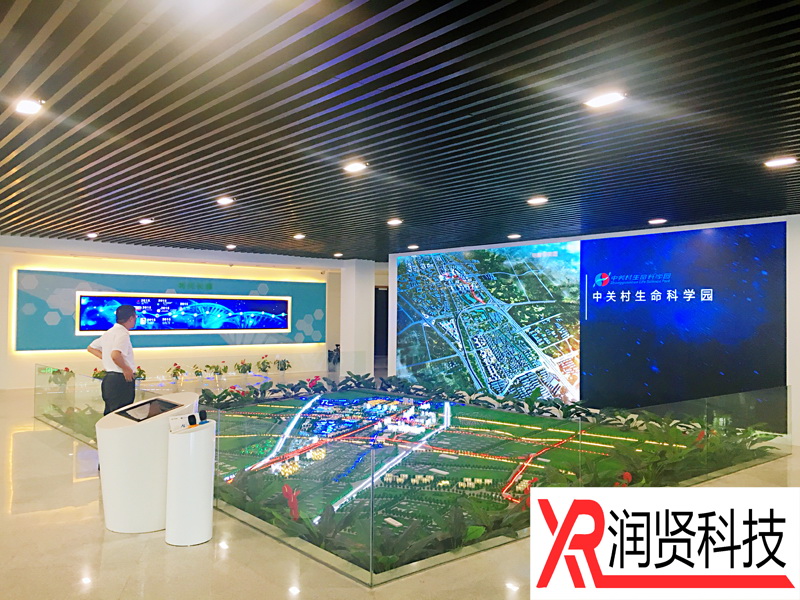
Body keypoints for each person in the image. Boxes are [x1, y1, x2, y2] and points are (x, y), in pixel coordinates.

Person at [87, 304, 138, 415]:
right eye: (135, 316)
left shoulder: (109, 332)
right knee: (122, 415)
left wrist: (106, 358)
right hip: (121, 380)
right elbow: (115, 354)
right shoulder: (122, 334)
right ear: (131, 318)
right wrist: (126, 369)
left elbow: (91, 348)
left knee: (110, 414)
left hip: (109, 380)